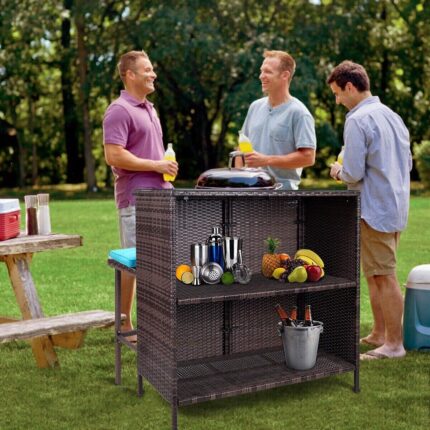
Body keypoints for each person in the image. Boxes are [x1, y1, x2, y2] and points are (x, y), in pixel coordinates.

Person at [327, 60, 412, 359]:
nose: (337, 101)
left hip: (373, 209)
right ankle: (379, 332)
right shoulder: (392, 116)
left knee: (384, 275)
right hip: (394, 206)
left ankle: (394, 344)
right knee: (374, 273)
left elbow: (353, 171)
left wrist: (337, 171)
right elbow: (407, 164)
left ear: (350, 87)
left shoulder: (357, 119)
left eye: (337, 93)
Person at [103, 50, 178, 341]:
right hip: (136, 200)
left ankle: (155, 323)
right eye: (147, 69)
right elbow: (114, 155)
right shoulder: (119, 110)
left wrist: (164, 165)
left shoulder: (149, 109)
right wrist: (155, 165)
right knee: (134, 263)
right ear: (130, 75)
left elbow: (147, 153)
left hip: (162, 197)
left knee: (160, 262)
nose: (153, 74)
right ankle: (125, 323)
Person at [240, 50, 316, 190]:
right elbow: (241, 148)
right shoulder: (255, 107)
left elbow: (308, 157)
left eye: (268, 72)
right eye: (261, 71)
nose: (261, 76)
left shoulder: (299, 113)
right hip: (249, 191)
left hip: (282, 194)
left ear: (285, 75)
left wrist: (266, 160)